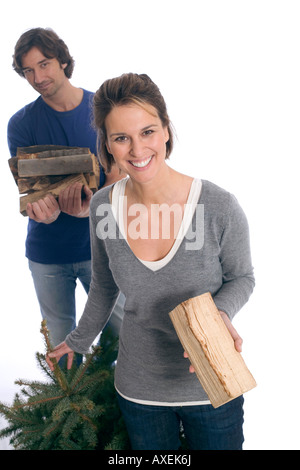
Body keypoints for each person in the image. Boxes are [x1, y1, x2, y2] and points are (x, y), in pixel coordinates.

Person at [47, 73, 255, 450]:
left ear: (166, 132)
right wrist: (76, 341)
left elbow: (242, 277)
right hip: (140, 392)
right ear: (107, 145)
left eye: (147, 132)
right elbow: (104, 285)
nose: (137, 149)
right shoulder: (103, 208)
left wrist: (220, 316)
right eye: (121, 138)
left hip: (211, 383)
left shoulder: (218, 206)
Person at [7, 28, 125, 349]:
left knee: (125, 337)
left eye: (44, 64)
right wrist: (42, 213)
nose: (37, 77)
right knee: (62, 347)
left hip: (101, 251)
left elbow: (119, 176)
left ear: (62, 61)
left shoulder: (103, 111)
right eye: (28, 70)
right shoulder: (21, 124)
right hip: (48, 256)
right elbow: (30, 188)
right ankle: (72, 398)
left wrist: (92, 208)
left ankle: (113, 399)